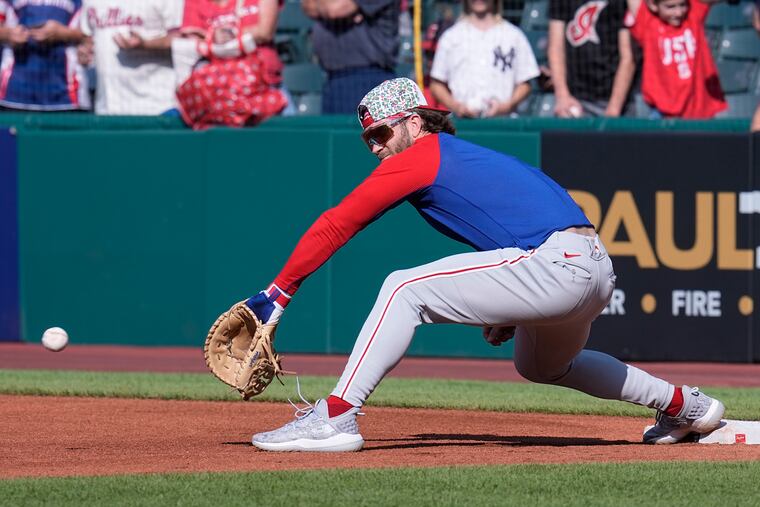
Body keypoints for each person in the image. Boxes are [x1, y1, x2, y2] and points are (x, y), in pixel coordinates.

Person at [241, 77, 725, 452]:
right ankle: (686, 406)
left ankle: (338, 415)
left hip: (557, 263)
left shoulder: (423, 154)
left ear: (415, 122)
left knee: (403, 289)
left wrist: (277, 294)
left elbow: (336, 224)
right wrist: (511, 309)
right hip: (593, 267)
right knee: (542, 365)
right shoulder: (465, 157)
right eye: (367, 138)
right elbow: (517, 228)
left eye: (382, 131)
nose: (375, 146)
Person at [174, 0, 287, 129]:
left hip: (264, 87)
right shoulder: (195, 2)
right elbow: (192, 39)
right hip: (217, 96)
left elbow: (265, 32)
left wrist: (231, 33)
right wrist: (214, 35)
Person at [429, 0, 540, 118]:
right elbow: (436, 84)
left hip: (503, 121)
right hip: (462, 122)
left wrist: (507, 105)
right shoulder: (451, 37)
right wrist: (456, 106)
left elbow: (525, 83)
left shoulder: (513, 36)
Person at [79, 0, 183, 115]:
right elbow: (87, 36)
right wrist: (85, 51)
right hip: (107, 108)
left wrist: (146, 44)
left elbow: (185, 39)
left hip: (156, 107)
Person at [626, 0, 726, 118]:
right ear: (652, 5)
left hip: (698, 110)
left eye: (682, 5)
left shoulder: (692, 15)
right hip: (663, 111)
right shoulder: (648, 23)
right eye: (670, 7)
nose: (678, 12)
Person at [301, 0, 398, 114]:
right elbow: (307, 5)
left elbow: (334, 9)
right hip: (333, 79)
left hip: (367, 78)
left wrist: (322, 8)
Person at [548, 0, 636, 117]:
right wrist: (562, 95)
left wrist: (614, 108)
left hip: (616, 98)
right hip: (575, 99)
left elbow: (628, 56)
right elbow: (555, 47)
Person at [0, 0, 89, 111]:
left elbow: (93, 33)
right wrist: (8, 34)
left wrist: (64, 33)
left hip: (67, 94)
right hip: (14, 92)